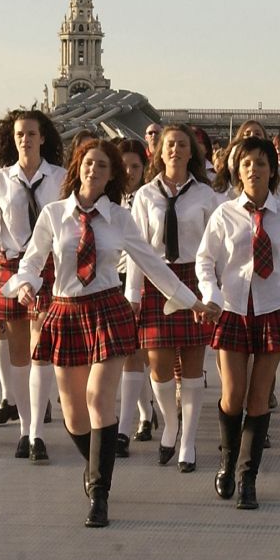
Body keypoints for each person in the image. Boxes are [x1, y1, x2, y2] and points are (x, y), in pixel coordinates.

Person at [7, 139, 216, 527]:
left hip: (107, 308)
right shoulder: (54, 214)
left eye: (103, 166)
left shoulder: (120, 218)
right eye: (89, 163)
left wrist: (192, 300)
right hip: (66, 311)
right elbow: (32, 260)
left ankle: (99, 494)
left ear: (111, 175)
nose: (94, 170)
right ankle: (93, 465)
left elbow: (153, 263)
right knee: (73, 414)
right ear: (77, 168)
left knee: (98, 397)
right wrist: (25, 284)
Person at [196, 137, 280, 508]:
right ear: (237, 170)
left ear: (272, 170)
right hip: (232, 308)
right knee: (233, 397)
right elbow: (205, 260)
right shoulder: (224, 214)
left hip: (273, 309)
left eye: (261, 163)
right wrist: (211, 293)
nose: (253, 169)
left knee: (259, 397)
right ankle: (227, 460)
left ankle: (248, 477)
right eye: (246, 163)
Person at [0, 109, 66, 460]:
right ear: (13, 139)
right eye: (19, 134)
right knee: (20, 355)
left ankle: (37, 432)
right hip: (10, 266)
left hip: (48, 266)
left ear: (43, 138)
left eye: (31, 133)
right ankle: (26, 428)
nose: (25, 139)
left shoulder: (60, 178)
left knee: (42, 351)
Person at [127, 124, 221, 472]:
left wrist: (214, 292)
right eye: (170, 144)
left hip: (194, 279)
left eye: (183, 145)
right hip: (156, 282)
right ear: (158, 151)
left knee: (194, 367)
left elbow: (214, 249)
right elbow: (137, 250)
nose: (175, 150)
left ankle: (188, 442)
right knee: (160, 366)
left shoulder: (206, 196)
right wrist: (132, 295)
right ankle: (169, 423)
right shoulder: (145, 196)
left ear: (191, 152)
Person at [115, 138, 158, 454]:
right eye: (124, 166)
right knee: (128, 352)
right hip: (106, 279)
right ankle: (145, 412)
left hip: (138, 280)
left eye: (135, 166)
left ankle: (125, 427)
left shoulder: (147, 200)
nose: (129, 172)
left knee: (135, 351)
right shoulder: (105, 200)